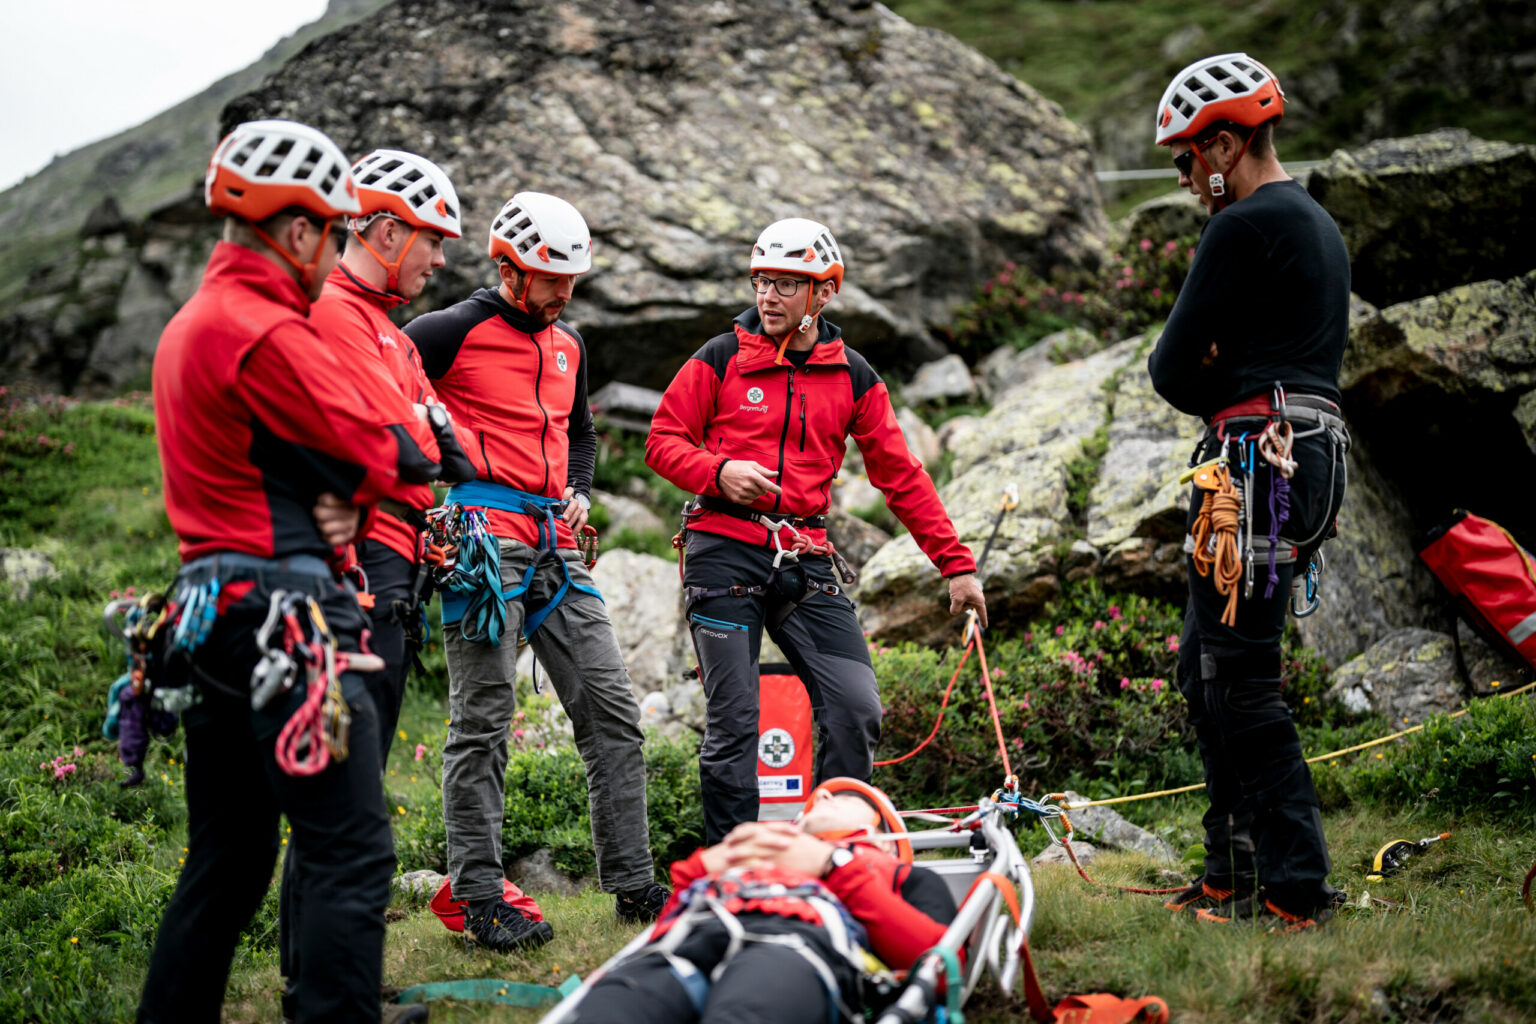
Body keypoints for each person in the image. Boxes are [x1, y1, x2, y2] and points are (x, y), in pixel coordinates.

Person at [139, 119, 443, 1024]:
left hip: (211, 616)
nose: (329, 254)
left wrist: (338, 483)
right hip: (290, 615)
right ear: (301, 230)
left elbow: (294, 458)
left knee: (227, 861)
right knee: (350, 849)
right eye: (328, 231)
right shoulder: (269, 329)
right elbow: (393, 454)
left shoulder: (191, 323)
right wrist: (378, 467)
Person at [645, 217, 987, 845]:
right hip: (722, 551)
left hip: (805, 560)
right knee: (735, 723)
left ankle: (833, 854)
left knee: (856, 709)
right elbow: (661, 441)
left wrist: (956, 565)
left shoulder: (853, 375)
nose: (767, 296)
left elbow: (902, 476)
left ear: (823, 293)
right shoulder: (718, 359)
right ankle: (734, 869)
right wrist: (718, 473)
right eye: (760, 281)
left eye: (785, 284)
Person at [403, 191, 669, 950]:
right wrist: (417, 504)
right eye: (552, 278)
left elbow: (580, 432)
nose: (565, 291)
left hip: (556, 543)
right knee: (482, 723)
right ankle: (480, 895)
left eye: (572, 278)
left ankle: (632, 884)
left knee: (613, 711)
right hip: (484, 543)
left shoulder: (570, 344)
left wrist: (580, 492)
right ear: (510, 268)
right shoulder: (448, 330)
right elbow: (381, 400)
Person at [1147, 53, 1350, 929]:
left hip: (1253, 464)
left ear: (1224, 144)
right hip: (1304, 458)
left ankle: (1295, 889)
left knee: (1238, 681)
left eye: (1189, 158)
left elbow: (1169, 368)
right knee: (1207, 664)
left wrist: (1220, 374)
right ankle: (1229, 873)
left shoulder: (1239, 228)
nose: (1187, 178)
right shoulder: (1313, 220)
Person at [308, 147, 477, 766]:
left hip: (397, 559)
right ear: (387, 231)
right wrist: (427, 430)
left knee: (365, 763)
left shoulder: (390, 336)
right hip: (362, 559)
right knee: (349, 773)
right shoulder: (336, 314)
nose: (438, 260)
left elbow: (446, 441)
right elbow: (405, 446)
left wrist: (429, 430)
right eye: (432, 241)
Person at [556, 779, 957, 1024]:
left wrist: (833, 866)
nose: (822, 798)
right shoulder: (757, 851)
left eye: (844, 797)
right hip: (690, 939)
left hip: (791, 946)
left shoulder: (896, 873)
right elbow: (673, 919)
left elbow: (938, 969)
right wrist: (700, 869)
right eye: (819, 799)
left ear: (881, 833)